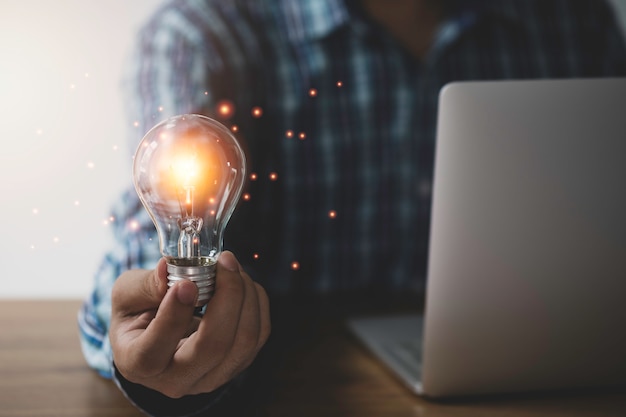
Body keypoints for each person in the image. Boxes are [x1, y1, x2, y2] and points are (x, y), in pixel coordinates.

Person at [78, 0, 626, 415]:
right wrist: (146, 339)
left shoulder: (573, 23)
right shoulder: (203, 35)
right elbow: (146, 242)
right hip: (289, 382)